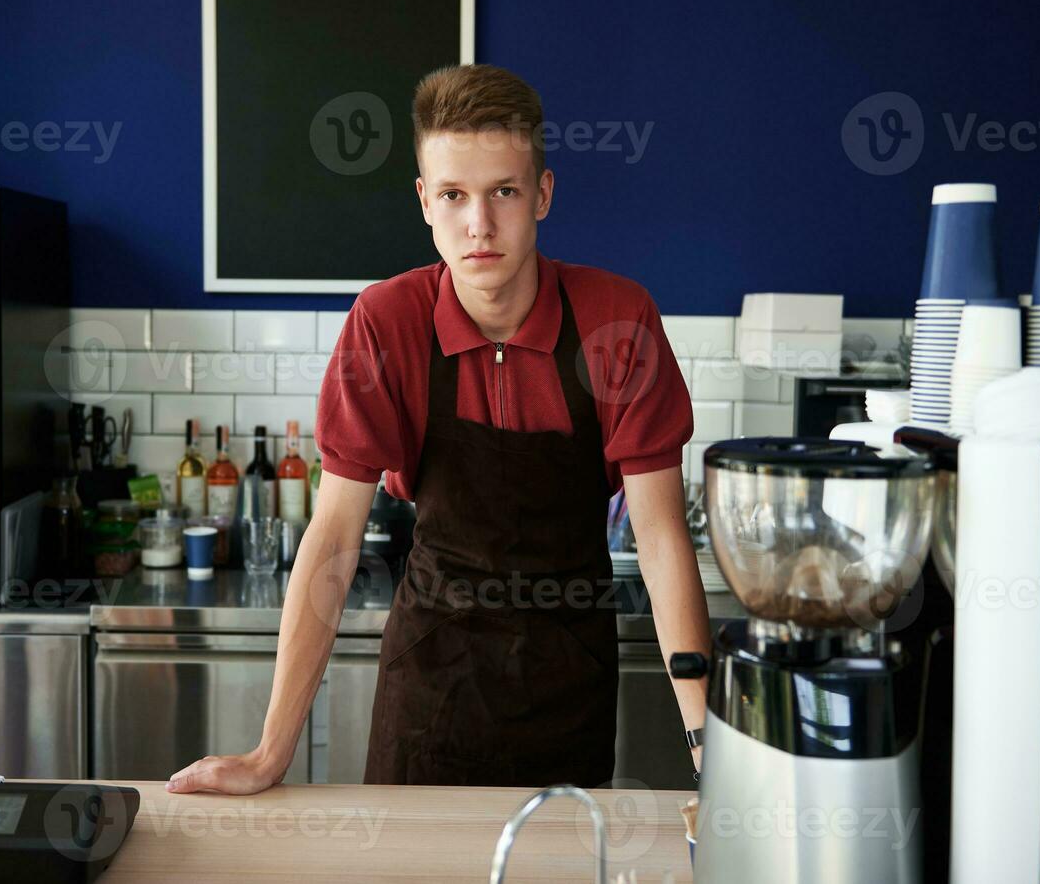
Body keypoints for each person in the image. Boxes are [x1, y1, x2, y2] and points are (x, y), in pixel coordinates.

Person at [168, 64, 709, 793]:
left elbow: (661, 538)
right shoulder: (386, 322)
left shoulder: (617, 318)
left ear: (542, 195)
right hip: (431, 678)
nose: (478, 224)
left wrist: (707, 751)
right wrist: (271, 753)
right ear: (425, 201)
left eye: (504, 193)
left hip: (570, 680)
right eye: (453, 195)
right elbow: (331, 539)